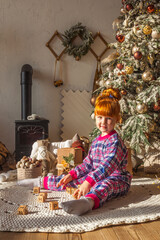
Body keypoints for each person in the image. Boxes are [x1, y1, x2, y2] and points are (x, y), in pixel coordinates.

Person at [18, 88, 132, 216]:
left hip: (116, 179)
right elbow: (88, 164)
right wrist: (72, 174)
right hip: (95, 176)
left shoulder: (115, 141)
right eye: (100, 117)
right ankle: (40, 182)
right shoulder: (96, 141)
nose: (103, 122)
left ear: (117, 119)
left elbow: (108, 166)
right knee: (68, 181)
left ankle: (87, 202)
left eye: (108, 118)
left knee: (105, 186)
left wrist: (88, 182)